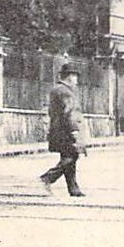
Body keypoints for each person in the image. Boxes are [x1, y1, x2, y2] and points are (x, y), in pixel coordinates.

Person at [40, 66, 86, 196]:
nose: (76, 80)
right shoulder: (66, 92)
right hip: (66, 130)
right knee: (71, 156)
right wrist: (74, 131)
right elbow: (69, 113)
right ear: (69, 76)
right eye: (75, 76)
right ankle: (48, 177)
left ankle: (73, 189)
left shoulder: (56, 90)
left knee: (68, 157)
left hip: (58, 129)